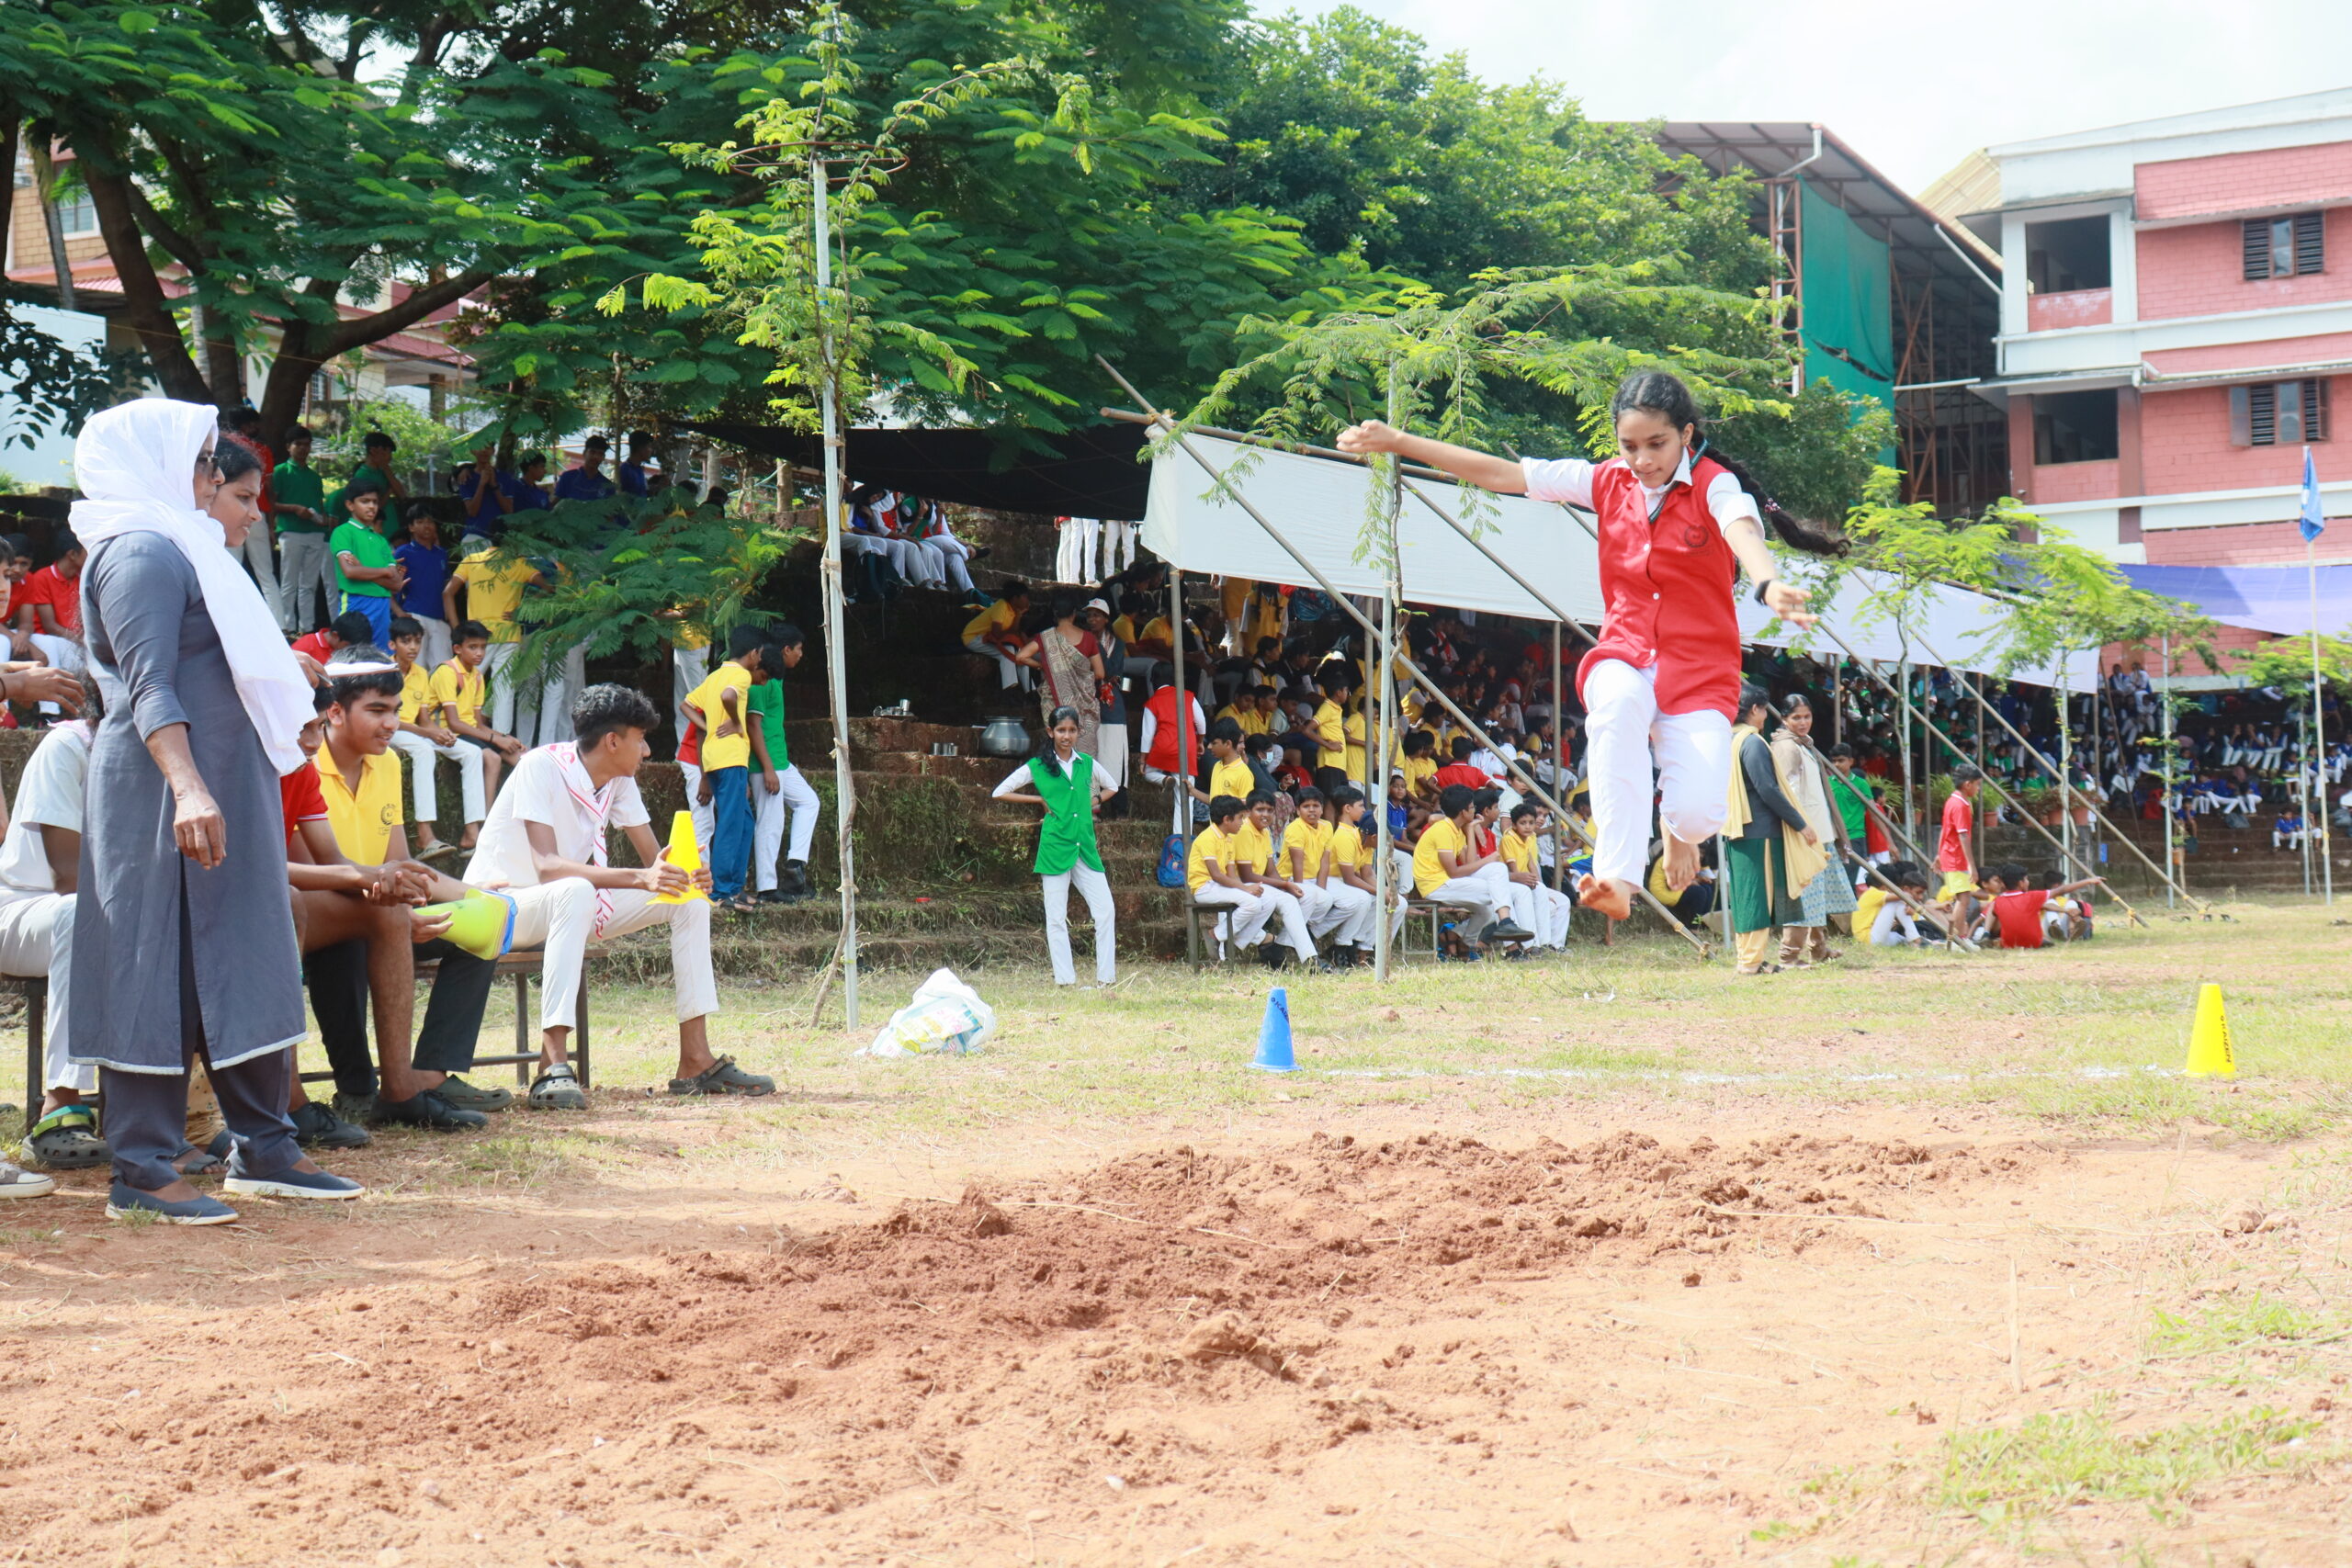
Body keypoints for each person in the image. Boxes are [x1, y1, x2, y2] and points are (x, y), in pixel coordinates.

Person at [1341, 369, 1820, 922]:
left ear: (1686, 434)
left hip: (1699, 670)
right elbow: (1503, 473)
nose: (1642, 459)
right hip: (1626, 652)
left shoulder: (1715, 484)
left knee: (1699, 815)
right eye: (1629, 446)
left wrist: (1766, 581)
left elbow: (1742, 529)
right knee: (1616, 706)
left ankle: (1677, 829)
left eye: (1657, 444)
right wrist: (1400, 442)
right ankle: (1618, 876)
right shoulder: (1605, 481)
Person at [69, 399, 359, 1224]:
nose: (210, 478)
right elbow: (147, 684)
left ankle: (265, 1145)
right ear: (153, 462)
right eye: (202, 462)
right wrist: (189, 787)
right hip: (160, 789)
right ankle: (142, 1164)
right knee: (152, 961)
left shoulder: (187, 545)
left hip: (227, 780)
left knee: (246, 947)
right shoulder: (139, 551)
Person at [462, 684, 763, 1108]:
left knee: (689, 900)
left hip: (565, 906)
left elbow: (654, 862)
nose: (646, 751)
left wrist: (686, 875)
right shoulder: (539, 767)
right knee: (573, 889)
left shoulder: (618, 781)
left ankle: (696, 1060)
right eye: (640, 739)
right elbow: (548, 866)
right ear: (612, 741)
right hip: (501, 907)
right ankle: (552, 1063)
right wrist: (643, 878)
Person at [300, 651, 507, 1128]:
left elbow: (401, 862)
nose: (392, 723)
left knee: (479, 933)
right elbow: (314, 876)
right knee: (351, 940)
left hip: (381, 906)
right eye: (377, 710)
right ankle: (356, 1088)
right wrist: (394, 912)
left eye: (395, 710)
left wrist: (474, 897)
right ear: (335, 712)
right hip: (327, 912)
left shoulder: (389, 763)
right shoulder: (304, 761)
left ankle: (428, 1075)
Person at [2, 678, 99, 1170]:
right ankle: (61, 1105)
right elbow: (68, 877)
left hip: (109, 914)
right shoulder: (70, 745)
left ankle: (188, 1114)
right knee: (82, 913)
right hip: (21, 908)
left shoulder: (177, 754)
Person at [991, 705, 1118, 986]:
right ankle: (1065, 979)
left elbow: (1113, 787)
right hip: (1054, 847)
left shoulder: (1087, 763)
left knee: (1106, 910)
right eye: (1061, 730)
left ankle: (1106, 978)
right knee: (1056, 917)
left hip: (1085, 847)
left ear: (1079, 732)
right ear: (1051, 732)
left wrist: (1092, 801)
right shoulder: (1038, 766)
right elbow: (999, 792)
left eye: (1072, 730)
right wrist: (1039, 800)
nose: (1067, 736)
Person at [1723, 684, 1820, 976]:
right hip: (1759, 831)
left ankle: (1749, 958)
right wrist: (1800, 823)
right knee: (1757, 897)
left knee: (1745, 895)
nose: (1766, 716)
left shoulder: (1728, 739)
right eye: (1764, 710)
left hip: (1738, 828)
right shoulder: (1752, 743)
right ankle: (1751, 962)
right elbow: (1767, 788)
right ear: (1755, 709)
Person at [386, 615, 487, 855]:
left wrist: (439, 732)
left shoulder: (422, 673)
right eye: (406, 642)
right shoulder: (386, 671)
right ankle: (425, 835)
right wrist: (427, 733)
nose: (413, 647)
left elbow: (424, 719)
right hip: (391, 731)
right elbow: (391, 719)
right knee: (423, 751)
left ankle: (472, 833)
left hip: (415, 732)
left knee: (473, 752)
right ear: (392, 644)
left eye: (417, 641)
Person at [685, 626, 770, 910]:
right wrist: (735, 721)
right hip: (730, 758)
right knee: (731, 824)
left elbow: (686, 705)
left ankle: (734, 887)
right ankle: (720, 891)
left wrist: (708, 726)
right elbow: (728, 697)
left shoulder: (714, 676)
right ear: (753, 653)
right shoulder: (741, 675)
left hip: (714, 758)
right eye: (760, 654)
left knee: (744, 822)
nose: (760, 660)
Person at [1770, 694, 1852, 966]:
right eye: (1796, 717)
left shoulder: (1804, 744)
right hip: (1804, 833)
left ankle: (1819, 949)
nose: (1803, 722)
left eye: (1807, 716)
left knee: (1818, 895)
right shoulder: (1787, 747)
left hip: (1817, 830)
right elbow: (1788, 793)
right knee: (1804, 894)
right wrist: (1800, 827)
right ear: (1784, 719)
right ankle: (1789, 954)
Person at [747, 624, 821, 906]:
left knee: (809, 802)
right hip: (766, 763)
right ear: (786, 649)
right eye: (799, 650)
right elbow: (753, 725)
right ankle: (767, 888)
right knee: (770, 822)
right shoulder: (762, 679)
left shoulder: (774, 677)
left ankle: (795, 866)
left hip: (780, 760)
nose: (801, 655)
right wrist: (767, 769)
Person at [1412, 784, 1536, 952]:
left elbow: (1469, 863)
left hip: (1447, 880)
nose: (1474, 810)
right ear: (1463, 812)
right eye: (1471, 807)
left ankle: (1465, 943)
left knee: (1489, 906)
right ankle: (1511, 940)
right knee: (1498, 889)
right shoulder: (1443, 831)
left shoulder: (1456, 829)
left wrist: (1470, 829)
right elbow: (1454, 872)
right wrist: (1488, 860)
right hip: (1436, 885)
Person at [445, 541, 543, 737]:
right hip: (509, 635)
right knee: (504, 689)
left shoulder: (472, 560)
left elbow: (447, 593)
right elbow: (548, 588)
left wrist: (457, 629)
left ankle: (455, 731)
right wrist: (523, 610)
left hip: (476, 636)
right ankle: (502, 738)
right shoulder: (519, 563)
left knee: (463, 681)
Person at [432, 619, 523, 808]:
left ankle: (516, 810)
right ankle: (487, 816)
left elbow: (477, 723)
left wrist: (505, 737)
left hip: (470, 731)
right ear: (457, 649)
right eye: (472, 647)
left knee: (523, 757)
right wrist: (496, 739)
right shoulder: (447, 672)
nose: (479, 653)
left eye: (483, 647)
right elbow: (454, 723)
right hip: (449, 733)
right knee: (493, 758)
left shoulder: (478, 676)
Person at [1015, 591, 1107, 761]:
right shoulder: (1088, 638)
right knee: (1085, 752)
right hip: (1084, 706)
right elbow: (1100, 673)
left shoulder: (1046, 638)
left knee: (1059, 744)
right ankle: (1083, 776)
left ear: (1054, 614)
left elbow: (1020, 656)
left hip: (1055, 703)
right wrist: (1081, 678)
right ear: (1074, 613)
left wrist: (1043, 666)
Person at [272, 424, 334, 632]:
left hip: (315, 533)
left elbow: (320, 507)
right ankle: (287, 626)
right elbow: (271, 504)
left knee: (309, 584)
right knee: (289, 582)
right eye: (298, 444)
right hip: (290, 531)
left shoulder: (315, 477)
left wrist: (324, 520)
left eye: (307, 444)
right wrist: (294, 509)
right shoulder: (280, 472)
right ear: (288, 447)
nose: (303, 448)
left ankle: (306, 627)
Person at [329, 479, 402, 646]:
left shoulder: (381, 540)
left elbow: (396, 584)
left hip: (382, 605)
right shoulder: (342, 532)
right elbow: (350, 572)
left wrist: (361, 568)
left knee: (382, 657)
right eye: (365, 501)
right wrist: (384, 572)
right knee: (353, 654)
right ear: (350, 505)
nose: (371, 506)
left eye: (375, 502)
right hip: (355, 602)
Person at [1502, 801, 1572, 951]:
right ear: (1514, 825)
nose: (1528, 827)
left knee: (1563, 901)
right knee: (1549, 906)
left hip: (1530, 883)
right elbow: (1514, 871)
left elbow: (1531, 864)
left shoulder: (1531, 836)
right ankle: (1536, 944)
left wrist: (1543, 891)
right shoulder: (1508, 838)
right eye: (1523, 823)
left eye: (1531, 823)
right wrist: (1540, 893)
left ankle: (1555, 945)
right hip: (1516, 883)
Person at [1083, 597, 1131, 800]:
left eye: (1096, 616)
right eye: (1089, 616)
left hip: (1111, 702)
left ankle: (1118, 804)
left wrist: (1096, 649)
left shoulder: (1117, 644)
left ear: (1106, 619)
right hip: (1088, 698)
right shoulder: (1082, 640)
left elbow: (1112, 671)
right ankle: (1093, 801)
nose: (1092, 620)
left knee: (1114, 753)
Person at [394, 513, 455, 669]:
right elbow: (387, 585)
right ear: (411, 527)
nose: (426, 525)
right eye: (420, 522)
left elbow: (447, 588)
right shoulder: (403, 552)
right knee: (415, 666)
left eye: (430, 521)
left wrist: (449, 616)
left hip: (439, 618)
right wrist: (399, 612)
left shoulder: (441, 553)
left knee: (444, 669)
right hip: (414, 615)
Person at [327, 430, 406, 536]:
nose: (389, 457)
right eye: (386, 452)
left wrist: (386, 468)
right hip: (374, 531)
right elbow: (371, 507)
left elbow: (402, 495)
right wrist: (389, 491)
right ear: (373, 450)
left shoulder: (384, 471)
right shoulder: (362, 476)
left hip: (391, 530)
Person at [963, 581, 1034, 693]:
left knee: (1020, 653)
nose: (1027, 600)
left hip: (991, 638)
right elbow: (998, 634)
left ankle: (1030, 691)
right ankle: (1010, 691)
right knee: (1008, 652)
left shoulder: (1015, 610)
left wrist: (1018, 616)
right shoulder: (1001, 606)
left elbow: (1013, 633)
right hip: (974, 638)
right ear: (1015, 598)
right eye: (1025, 597)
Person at [1939, 763, 1985, 931]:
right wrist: (1972, 866)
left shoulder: (1952, 800)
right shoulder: (1960, 805)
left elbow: (1945, 829)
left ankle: (1957, 937)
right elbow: (1963, 835)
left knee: (1963, 898)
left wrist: (1939, 854)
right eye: (1977, 784)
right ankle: (1957, 937)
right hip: (1956, 858)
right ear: (1967, 784)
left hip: (1951, 855)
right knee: (1963, 899)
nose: (1978, 789)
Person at [1853, 860, 1932, 947]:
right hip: (1867, 939)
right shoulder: (1873, 893)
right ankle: (1916, 939)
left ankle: (1921, 943)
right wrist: (1908, 904)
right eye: (1893, 889)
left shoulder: (1874, 895)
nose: (1894, 892)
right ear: (1885, 887)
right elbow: (1905, 896)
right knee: (1896, 902)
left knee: (1899, 938)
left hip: (1872, 937)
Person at [454, 441, 514, 544]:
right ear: (473, 451)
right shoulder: (466, 478)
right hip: (475, 534)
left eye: (487, 447)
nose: (483, 451)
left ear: (493, 451)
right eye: (480, 447)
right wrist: (481, 484)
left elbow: (509, 510)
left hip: (501, 534)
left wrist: (494, 486)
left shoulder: (504, 477)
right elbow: (472, 512)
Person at [552, 435, 617, 504]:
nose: (596, 457)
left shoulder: (607, 485)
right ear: (584, 453)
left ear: (603, 458)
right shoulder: (568, 478)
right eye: (592, 452)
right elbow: (555, 505)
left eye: (600, 454)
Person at [616, 431, 656, 498]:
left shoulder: (639, 469)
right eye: (649, 446)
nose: (651, 450)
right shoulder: (625, 470)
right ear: (640, 448)